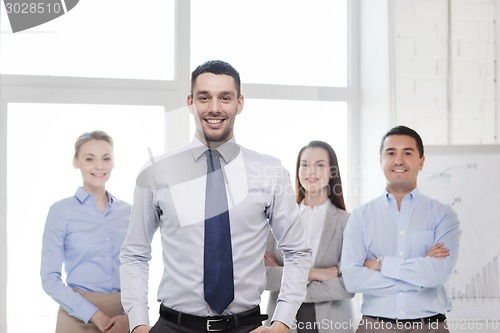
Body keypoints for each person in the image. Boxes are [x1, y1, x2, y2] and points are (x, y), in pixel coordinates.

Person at [119, 60, 311, 333]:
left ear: (240, 103)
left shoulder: (268, 172)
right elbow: (134, 254)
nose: (214, 108)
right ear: (190, 102)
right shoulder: (156, 173)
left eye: (225, 98)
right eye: (204, 97)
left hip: (246, 327)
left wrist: (281, 324)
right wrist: (138, 324)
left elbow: (297, 252)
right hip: (174, 327)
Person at [340, 125, 460, 333]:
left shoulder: (443, 215)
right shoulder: (360, 217)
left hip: (430, 326)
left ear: (421, 162)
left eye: (407, 153)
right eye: (391, 153)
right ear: (381, 161)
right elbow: (352, 279)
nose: (398, 160)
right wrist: (419, 276)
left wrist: (381, 263)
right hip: (375, 326)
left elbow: (438, 275)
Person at [41, 130, 131, 333]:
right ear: (76, 162)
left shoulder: (129, 212)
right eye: (90, 159)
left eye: (106, 158)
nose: (99, 166)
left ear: (113, 162)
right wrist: (95, 315)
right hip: (76, 315)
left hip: (122, 316)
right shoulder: (61, 211)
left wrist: (130, 317)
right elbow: (49, 278)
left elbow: (138, 268)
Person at [265, 140, 354, 333]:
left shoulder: (347, 222)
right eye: (304, 165)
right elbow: (261, 276)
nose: (311, 172)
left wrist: (288, 276)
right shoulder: (278, 218)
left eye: (320, 165)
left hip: (333, 323)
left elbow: (348, 284)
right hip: (282, 323)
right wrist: (317, 274)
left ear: (331, 172)